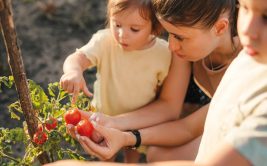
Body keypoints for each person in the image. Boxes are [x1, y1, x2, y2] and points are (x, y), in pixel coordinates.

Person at [45, 0, 267, 165]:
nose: (170, 46)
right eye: (245, 8)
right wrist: (120, 130)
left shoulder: (247, 64)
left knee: (157, 154)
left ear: (220, 28)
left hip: (216, 136)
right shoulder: (245, 61)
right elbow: (185, 123)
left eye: (179, 36)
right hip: (201, 129)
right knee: (156, 154)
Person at [60, 0, 172, 162]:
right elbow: (77, 58)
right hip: (103, 117)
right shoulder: (104, 41)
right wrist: (73, 71)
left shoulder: (163, 53)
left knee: (133, 149)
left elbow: (163, 91)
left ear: (155, 27)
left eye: (134, 29)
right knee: (105, 152)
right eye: (117, 24)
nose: (122, 34)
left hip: (139, 120)